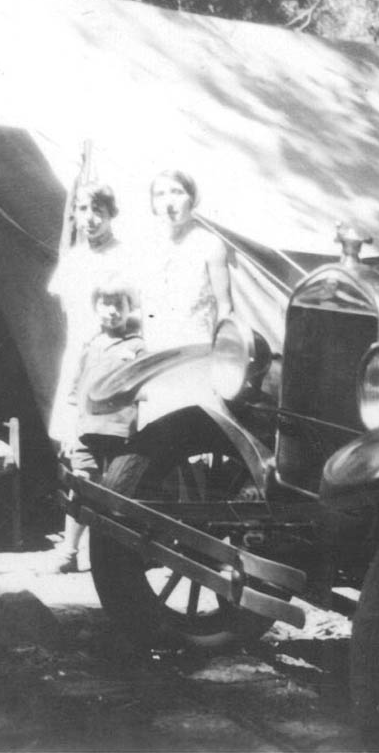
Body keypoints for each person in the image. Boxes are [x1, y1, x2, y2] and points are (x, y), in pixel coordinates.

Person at [45, 182, 131, 573]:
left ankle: (113, 554)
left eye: (98, 209)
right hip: (82, 360)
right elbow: (67, 317)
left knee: (111, 459)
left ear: (111, 213)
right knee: (78, 455)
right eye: (82, 209)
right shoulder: (74, 259)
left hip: (115, 362)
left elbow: (139, 314)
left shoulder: (127, 257)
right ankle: (70, 549)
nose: (90, 218)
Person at [46, 277, 145, 574]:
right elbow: (74, 393)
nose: (112, 311)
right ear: (96, 307)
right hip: (87, 430)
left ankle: (114, 559)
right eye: (106, 304)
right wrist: (69, 431)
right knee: (81, 485)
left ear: (129, 309)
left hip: (121, 432)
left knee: (117, 494)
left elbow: (143, 391)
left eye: (119, 305)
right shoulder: (89, 344)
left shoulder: (137, 346)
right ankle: (69, 552)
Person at [140, 169, 233, 351]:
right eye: (160, 194)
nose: (169, 202)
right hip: (154, 351)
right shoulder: (146, 245)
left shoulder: (210, 244)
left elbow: (225, 305)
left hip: (196, 350)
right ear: (152, 204)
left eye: (177, 192)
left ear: (192, 198)